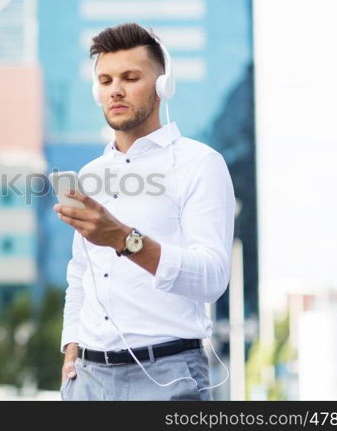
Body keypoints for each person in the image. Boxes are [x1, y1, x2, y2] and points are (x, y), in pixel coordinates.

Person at [55, 22, 235, 401]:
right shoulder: (91, 175)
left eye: (130, 77)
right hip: (86, 379)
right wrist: (70, 342)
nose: (115, 89)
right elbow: (81, 272)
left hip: (165, 375)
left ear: (161, 85)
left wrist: (124, 240)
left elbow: (213, 278)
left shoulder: (200, 163)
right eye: (105, 81)